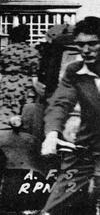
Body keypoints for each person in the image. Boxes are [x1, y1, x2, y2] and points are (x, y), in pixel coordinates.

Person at [40, 16, 100, 214]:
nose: (85, 50)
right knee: (55, 206)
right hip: (85, 148)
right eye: (80, 45)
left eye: (93, 44)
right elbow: (60, 103)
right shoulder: (74, 70)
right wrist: (52, 134)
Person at [0, 24, 40, 130]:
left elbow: (0, 72)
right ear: (27, 37)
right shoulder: (32, 52)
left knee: (6, 116)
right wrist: (38, 92)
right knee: (25, 116)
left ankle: (6, 137)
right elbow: (35, 75)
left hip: (7, 84)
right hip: (25, 85)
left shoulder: (5, 51)